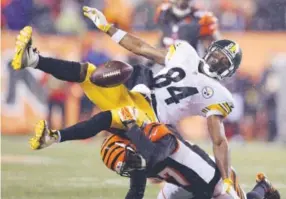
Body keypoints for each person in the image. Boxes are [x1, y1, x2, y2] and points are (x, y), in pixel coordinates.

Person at [12, 5, 241, 197]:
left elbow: (219, 141)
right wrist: (108, 28)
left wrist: (226, 177)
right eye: (218, 56)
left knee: (114, 122)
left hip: (152, 120)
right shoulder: (186, 52)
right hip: (136, 97)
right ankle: (33, 59)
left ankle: (54, 137)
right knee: (89, 73)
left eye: (223, 62)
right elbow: (143, 48)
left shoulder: (218, 93)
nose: (217, 62)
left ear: (227, 71)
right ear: (209, 50)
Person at [31, 107, 280, 199]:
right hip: (181, 188)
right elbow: (136, 191)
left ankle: (262, 187)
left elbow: (154, 156)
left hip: (211, 182)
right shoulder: (136, 153)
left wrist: (132, 128)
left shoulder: (155, 134)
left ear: (128, 147)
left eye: (122, 161)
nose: (126, 167)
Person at [155, 0, 220, 55]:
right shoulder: (163, 12)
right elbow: (161, 39)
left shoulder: (202, 18)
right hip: (166, 61)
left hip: (190, 65)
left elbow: (216, 50)